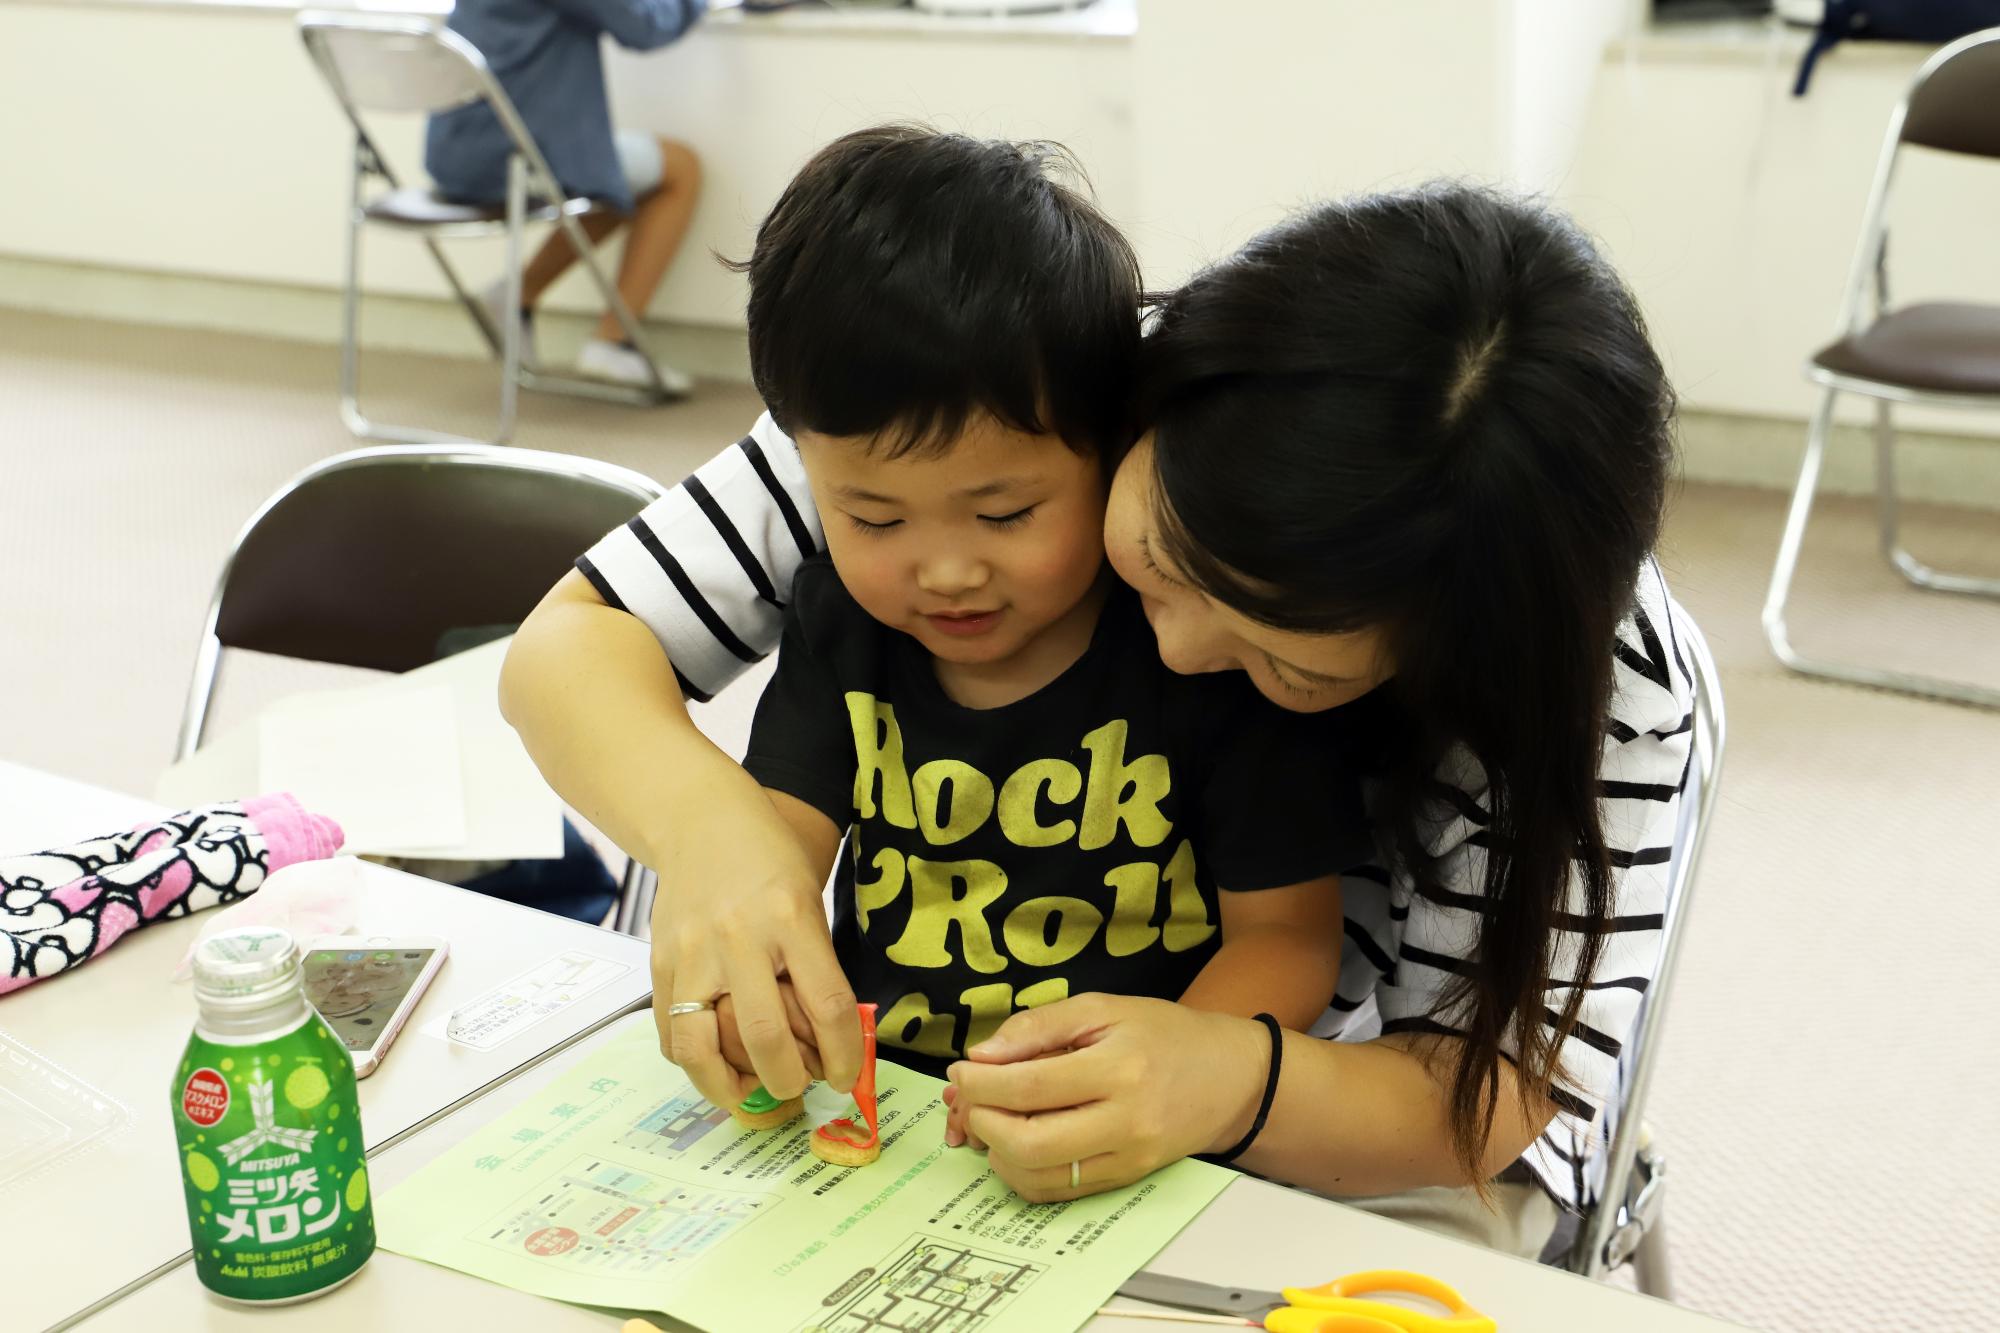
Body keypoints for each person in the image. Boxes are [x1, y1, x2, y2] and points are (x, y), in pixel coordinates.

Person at [498, 179, 1694, 1260]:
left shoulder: (1601, 691)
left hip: (1363, 1107)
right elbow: (570, 645)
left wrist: (1224, 1078)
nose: (1172, 652)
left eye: (1289, 669)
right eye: (1158, 566)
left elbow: (1480, 1098)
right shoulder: (1004, 385)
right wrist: (726, 852)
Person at [717, 128, 1367, 1079]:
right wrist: (759, 980)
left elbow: (1288, 942)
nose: (944, 573)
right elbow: (770, 859)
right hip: (890, 1102)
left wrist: (1160, 1074)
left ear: (1112, 447)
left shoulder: (1204, 654)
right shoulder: (843, 628)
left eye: (1005, 512)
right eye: (874, 518)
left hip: (1139, 1116)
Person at [426, 0, 706, 394]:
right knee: (680, 168)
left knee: (607, 174)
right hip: (511, 156)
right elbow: (644, 26)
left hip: (453, 153)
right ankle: (611, 342)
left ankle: (518, 294)